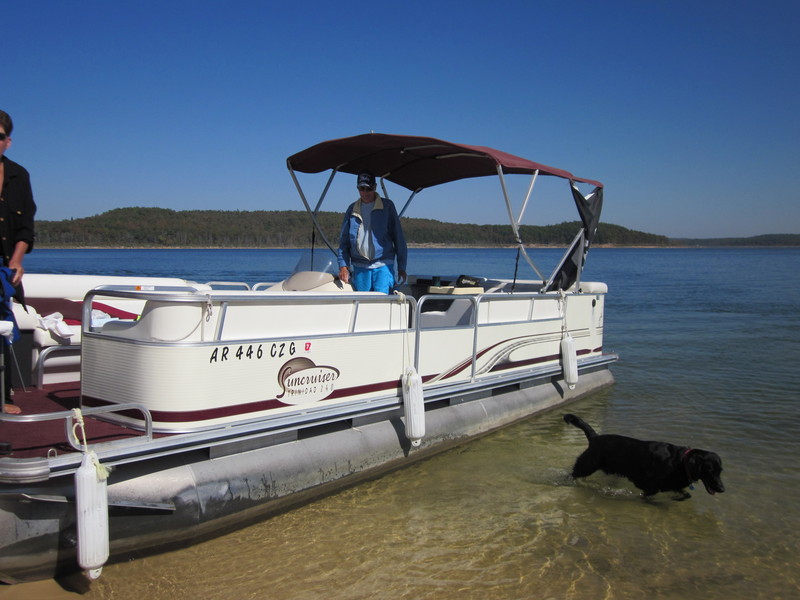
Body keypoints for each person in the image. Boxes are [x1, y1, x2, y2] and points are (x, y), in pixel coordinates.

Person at [0, 110, 36, 416]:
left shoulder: (18, 175)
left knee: (3, 328)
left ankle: (3, 393)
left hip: (4, 267)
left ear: (7, 141)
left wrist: (17, 260)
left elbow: (26, 227)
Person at [337, 171, 407, 293]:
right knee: (363, 301)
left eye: (368, 189)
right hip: (360, 267)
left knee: (382, 299)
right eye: (361, 189)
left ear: (374, 187)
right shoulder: (351, 209)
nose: (365, 193)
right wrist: (343, 265)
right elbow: (344, 241)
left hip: (383, 264)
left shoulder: (388, 206)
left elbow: (398, 237)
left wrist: (402, 267)